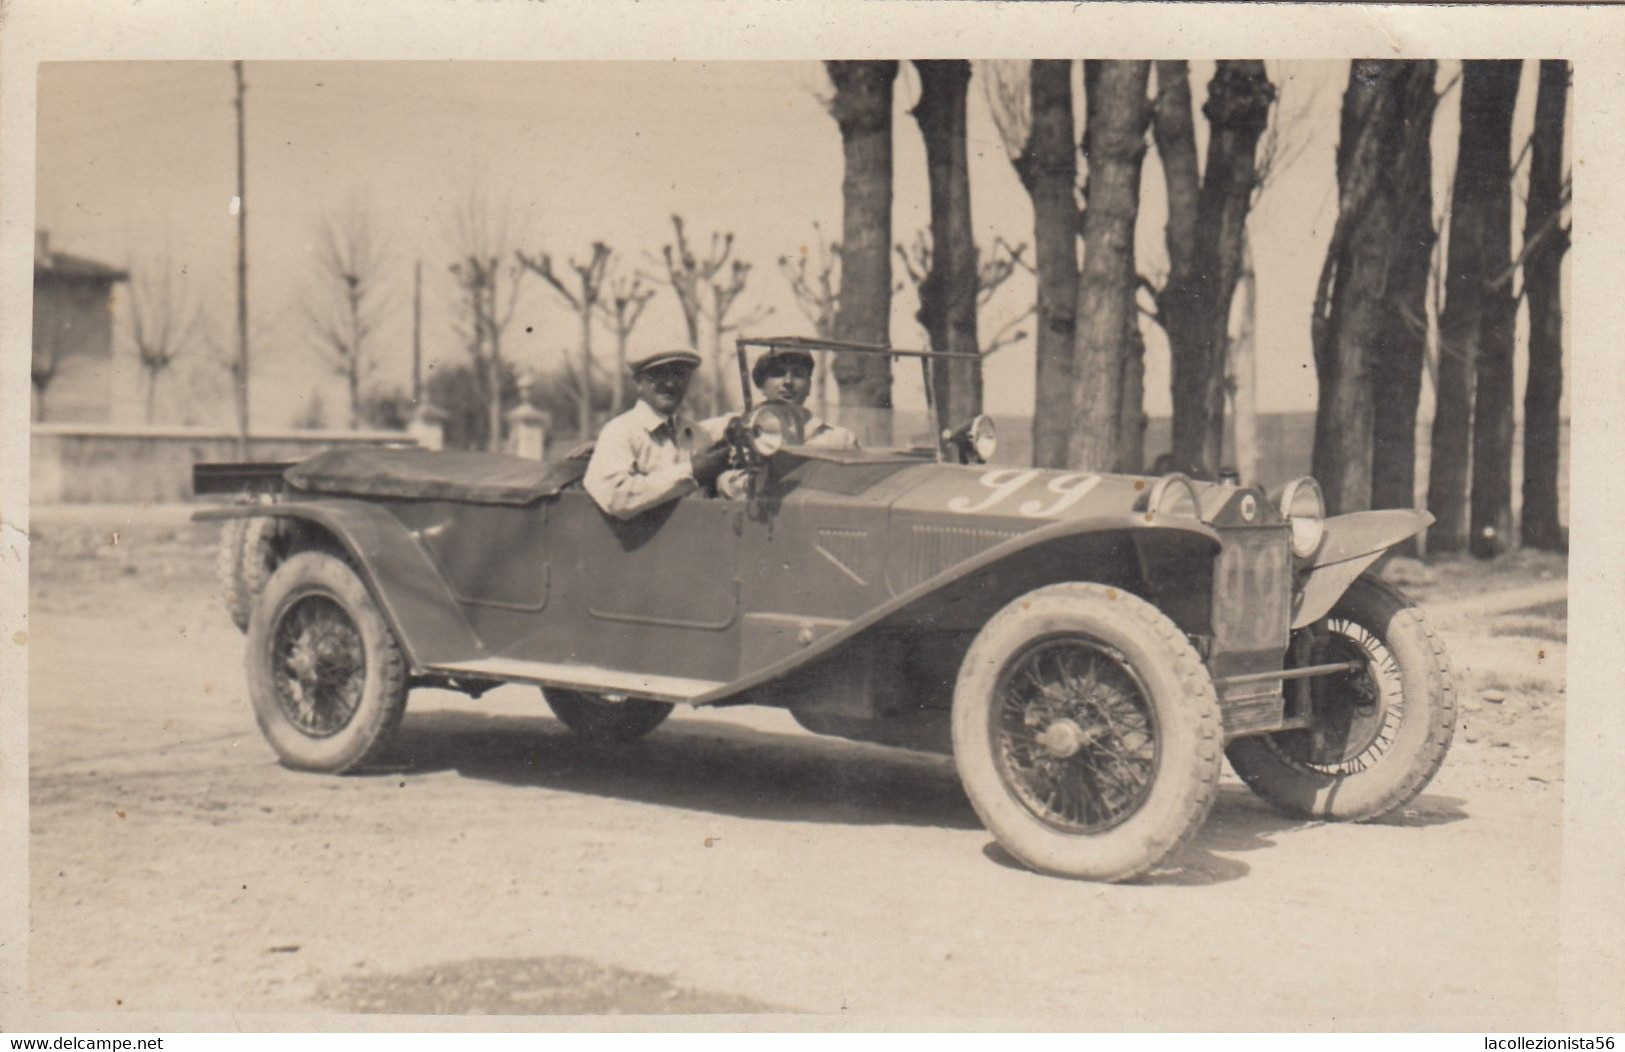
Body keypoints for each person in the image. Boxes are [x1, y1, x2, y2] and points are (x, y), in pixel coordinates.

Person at [583, 349, 731, 520]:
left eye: (679, 374)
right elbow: (614, 497)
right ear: (639, 382)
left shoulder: (697, 432)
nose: (670, 383)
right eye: (658, 374)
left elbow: (725, 425)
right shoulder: (620, 431)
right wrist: (691, 472)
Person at [747, 347, 857, 449]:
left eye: (798, 374)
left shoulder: (840, 439)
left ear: (809, 385)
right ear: (761, 385)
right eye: (778, 373)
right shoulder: (741, 434)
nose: (788, 382)